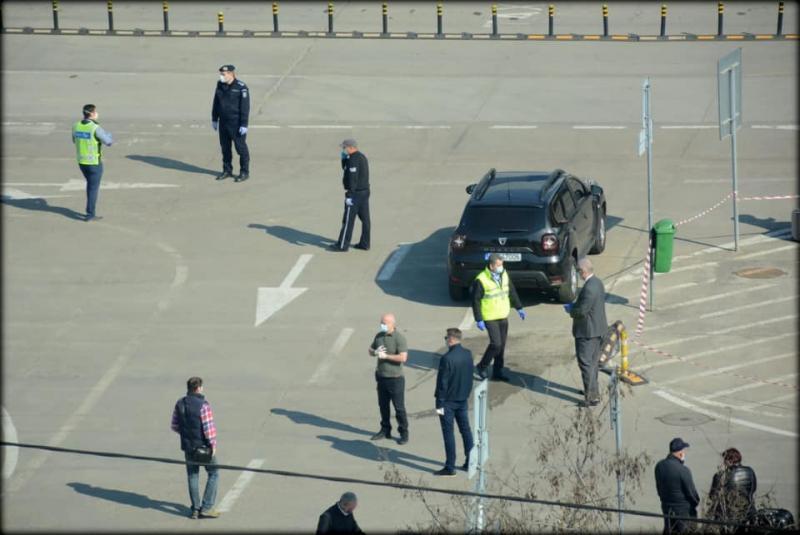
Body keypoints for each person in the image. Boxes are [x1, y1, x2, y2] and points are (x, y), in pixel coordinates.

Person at [170, 376, 220, 519]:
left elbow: (174, 425)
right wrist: (213, 445)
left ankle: (195, 509)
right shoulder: (204, 405)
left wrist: (186, 435)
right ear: (198, 388)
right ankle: (207, 506)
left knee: (193, 476)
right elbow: (208, 429)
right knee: (214, 472)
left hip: (188, 447)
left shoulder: (180, 403)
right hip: (203, 447)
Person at [471, 254, 525, 381]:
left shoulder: (504, 275)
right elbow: (476, 301)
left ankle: (497, 372)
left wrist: (519, 307)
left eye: (502, 264)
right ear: (491, 266)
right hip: (490, 317)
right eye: (499, 265)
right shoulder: (481, 279)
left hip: (503, 315)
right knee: (496, 344)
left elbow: (511, 291)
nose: (501, 267)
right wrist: (479, 319)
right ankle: (481, 366)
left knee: (502, 346)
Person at [564, 257, 608, 406]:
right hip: (598, 329)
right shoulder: (597, 282)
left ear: (583, 272)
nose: (578, 275)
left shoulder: (589, 288)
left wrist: (571, 310)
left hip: (587, 332)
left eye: (578, 272)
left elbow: (582, 311)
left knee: (586, 363)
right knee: (593, 363)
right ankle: (592, 390)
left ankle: (591, 397)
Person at [434, 328, 474, 476]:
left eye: (446, 338)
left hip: (448, 402)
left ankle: (450, 466)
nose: (445, 340)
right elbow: (470, 375)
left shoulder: (447, 358)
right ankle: (470, 461)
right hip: (462, 399)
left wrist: (439, 405)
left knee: (448, 433)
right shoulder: (467, 354)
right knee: (465, 430)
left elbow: (442, 384)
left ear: (451, 339)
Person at [368, 313, 409, 444]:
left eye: (385, 323)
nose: (382, 325)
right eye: (381, 322)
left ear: (392, 324)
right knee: (383, 405)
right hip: (381, 377)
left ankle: (404, 432)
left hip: (395, 379)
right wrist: (374, 352)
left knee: (399, 407)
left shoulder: (399, 338)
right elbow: (370, 350)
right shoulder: (379, 336)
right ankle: (385, 429)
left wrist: (386, 356)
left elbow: (403, 358)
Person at [72, 104, 113, 222]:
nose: (97, 113)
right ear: (92, 113)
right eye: (96, 112)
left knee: (90, 185)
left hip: (81, 162)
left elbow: (74, 140)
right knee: (93, 188)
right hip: (94, 163)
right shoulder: (95, 128)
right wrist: (108, 135)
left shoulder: (76, 126)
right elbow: (109, 142)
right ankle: (90, 214)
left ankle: (90, 212)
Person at [329, 139, 370, 252]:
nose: (343, 150)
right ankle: (365, 243)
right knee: (365, 219)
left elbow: (353, 179)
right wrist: (343, 159)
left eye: (344, 148)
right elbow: (346, 168)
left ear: (350, 147)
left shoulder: (353, 159)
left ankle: (342, 245)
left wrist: (350, 195)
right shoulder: (361, 156)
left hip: (355, 194)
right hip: (364, 192)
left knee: (348, 220)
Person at [212, 64, 250, 182]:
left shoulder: (241, 87)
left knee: (241, 149)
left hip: (236, 124)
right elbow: (216, 102)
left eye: (223, 74)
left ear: (231, 74)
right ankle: (227, 170)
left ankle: (244, 172)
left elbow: (245, 107)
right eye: (221, 74)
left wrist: (244, 124)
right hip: (223, 122)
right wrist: (214, 118)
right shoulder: (220, 85)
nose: (221, 76)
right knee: (225, 148)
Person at [654, 438, 700, 534]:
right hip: (683, 512)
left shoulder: (659, 466)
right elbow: (692, 494)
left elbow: (659, 489)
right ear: (680, 453)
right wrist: (696, 503)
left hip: (667, 509)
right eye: (683, 451)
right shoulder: (683, 470)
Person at [708, 448, 757, 532]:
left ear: (729, 461)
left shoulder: (720, 476)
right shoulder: (750, 471)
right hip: (748, 512)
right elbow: (753, 489)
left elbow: (713, 496)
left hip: (728, 516)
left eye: (724, 460)